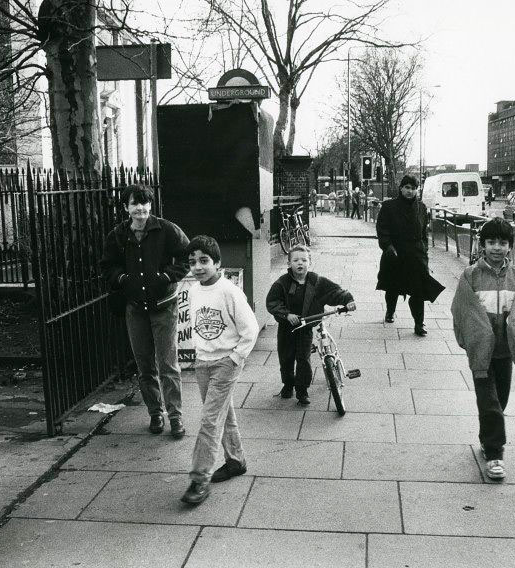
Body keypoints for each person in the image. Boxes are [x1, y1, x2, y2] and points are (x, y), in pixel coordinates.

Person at [101, 185, 190, 438]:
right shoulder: (118, 235)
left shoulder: (167, 230)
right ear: (126, 208)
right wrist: (122, 279)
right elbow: (107, 266)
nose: (140, 208)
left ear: (151, 205)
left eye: (144, 203)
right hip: (136, 309)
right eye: (134, 204)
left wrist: (166, 276)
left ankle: (176, 417)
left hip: (164, 307)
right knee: (144, 366)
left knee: (168, 365)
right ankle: (155, 414)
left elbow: (186, 256)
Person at [450, 218, 515, 480]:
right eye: (491, 242)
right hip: (482, 353)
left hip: (505, 351)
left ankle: (487, 439)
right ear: (482, 245)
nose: (496, 248)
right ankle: (496, 454)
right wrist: (472, 342)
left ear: (510, 246)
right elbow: (462, 312)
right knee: (490, 403)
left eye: (502, 243)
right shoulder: (471, 275)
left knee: (501, 400)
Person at [180, 235, 260, 506]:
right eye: (193, 262)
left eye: (204, 261)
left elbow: (250, 329)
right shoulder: (193, 291)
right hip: (203, 362)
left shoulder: (229, 291)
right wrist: (198, 355)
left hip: (226, 362)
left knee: (209, 420)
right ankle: (236, 460)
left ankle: (199, 479)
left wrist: (236, 358)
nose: (198, 267)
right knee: (222, 414)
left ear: (217, 262)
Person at [266, 245, 356, 405]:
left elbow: (334, 292)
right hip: (287, 329)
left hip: (306, 328)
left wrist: (347, 300)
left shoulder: (317, 281)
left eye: (304, 260)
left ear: (310, 262)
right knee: (286, 359)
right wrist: (286, 314)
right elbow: (272, 302)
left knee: (303, 360)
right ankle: (288, 384)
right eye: (295, 260)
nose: (300, 263)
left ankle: (302, 391)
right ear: (289, 263)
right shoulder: (282, 283)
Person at [375, 175, 445, 337]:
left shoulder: (421, 208)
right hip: (395, 254)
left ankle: (419, 324)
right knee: (392, 287)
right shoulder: (389, 206)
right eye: (407, 187)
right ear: (401, 188)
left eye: (413, 188)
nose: (410, 191)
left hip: (415, 256)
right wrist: (388, 246)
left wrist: (424, 250)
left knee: (418, 290)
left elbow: (423, 233)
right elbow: (382, 229)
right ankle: (390, 311)